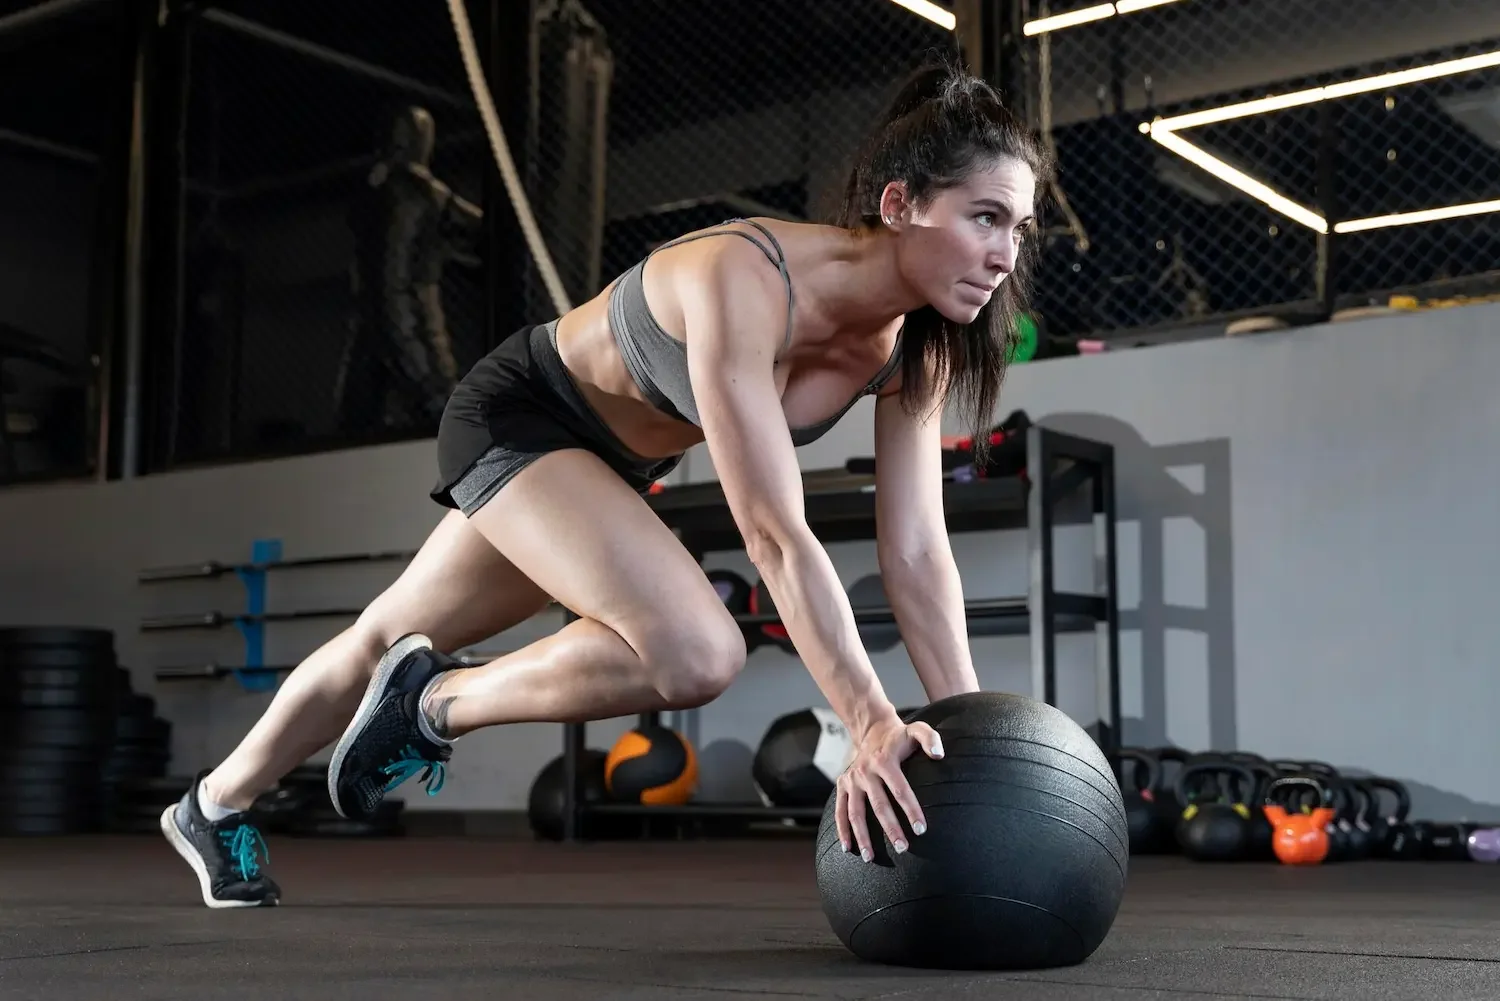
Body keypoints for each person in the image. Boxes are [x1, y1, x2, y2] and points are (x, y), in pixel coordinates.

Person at [159, 60, 1054, 909]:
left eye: (1018, 228)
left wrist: (970, 729)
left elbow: (915, 550)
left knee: (388, 635)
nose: (1005, 254)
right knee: (697, 651)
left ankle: (215, 802)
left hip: (611, 466)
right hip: (523, 416)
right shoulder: (746, 275)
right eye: (984, 217)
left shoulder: (916, 354)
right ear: (900, 204)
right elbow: (774, 532)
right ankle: (431, 704)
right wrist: (867, 721)